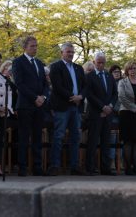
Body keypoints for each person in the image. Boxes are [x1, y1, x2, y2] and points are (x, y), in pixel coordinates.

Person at [11, 36, 49, 176]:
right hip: (26, 105)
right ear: (25, 47)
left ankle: (37, 166)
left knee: (37, 137)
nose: (35, 48)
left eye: (36, 46)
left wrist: (43, 97)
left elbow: (45, 84)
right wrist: (34, 98)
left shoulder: (39, 63)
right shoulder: (18, 62)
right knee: (24, 137)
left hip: (39, 106)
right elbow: (19, 84)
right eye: (32, 46)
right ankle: (22, 166)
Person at [47, 42, 85, 176]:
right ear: (61, 53)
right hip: (62, 106)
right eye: (68, 52)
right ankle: (55, 166)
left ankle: (74, 166)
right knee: (59, 136)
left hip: (76, 107)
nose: (71, 54)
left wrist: (80, 96)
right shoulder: (56, 67)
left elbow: (85, 86)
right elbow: (57, 86)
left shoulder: (78, 68)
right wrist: (72, 97)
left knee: (76, 137)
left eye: (72, 52)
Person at [84, 52, 117, 175]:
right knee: (93, 141)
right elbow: (89, 94)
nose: (101, 65)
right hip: (95, 114)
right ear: (94, 62)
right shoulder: (89, 76)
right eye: (99, 62)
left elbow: (115, 94)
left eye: (103, 62)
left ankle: (105, 168)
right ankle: (90, 168)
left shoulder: (109, 76)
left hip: (108, 114)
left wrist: (110, 106)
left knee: (106, 142)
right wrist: (102, 107)